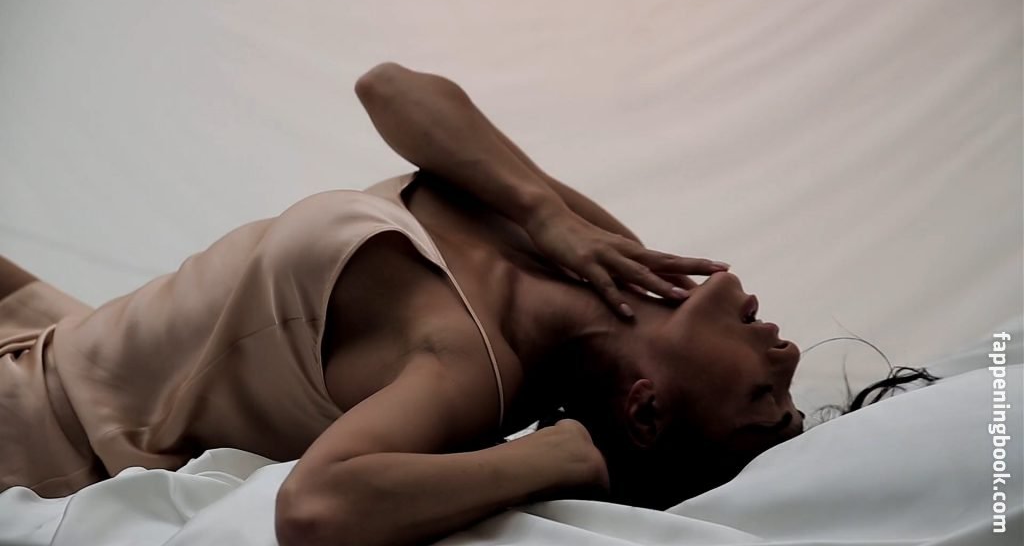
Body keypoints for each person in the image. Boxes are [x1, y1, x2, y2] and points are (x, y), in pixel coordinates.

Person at [0, 62, 802, 546]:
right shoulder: (599, 256)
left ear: (645, 410)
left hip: (42, 427)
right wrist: (547, 211)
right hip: (58, 329)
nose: (789, 353)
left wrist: (564, 457)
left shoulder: (469, 366)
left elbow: (316, 511)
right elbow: (389, 89)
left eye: (763, 398)